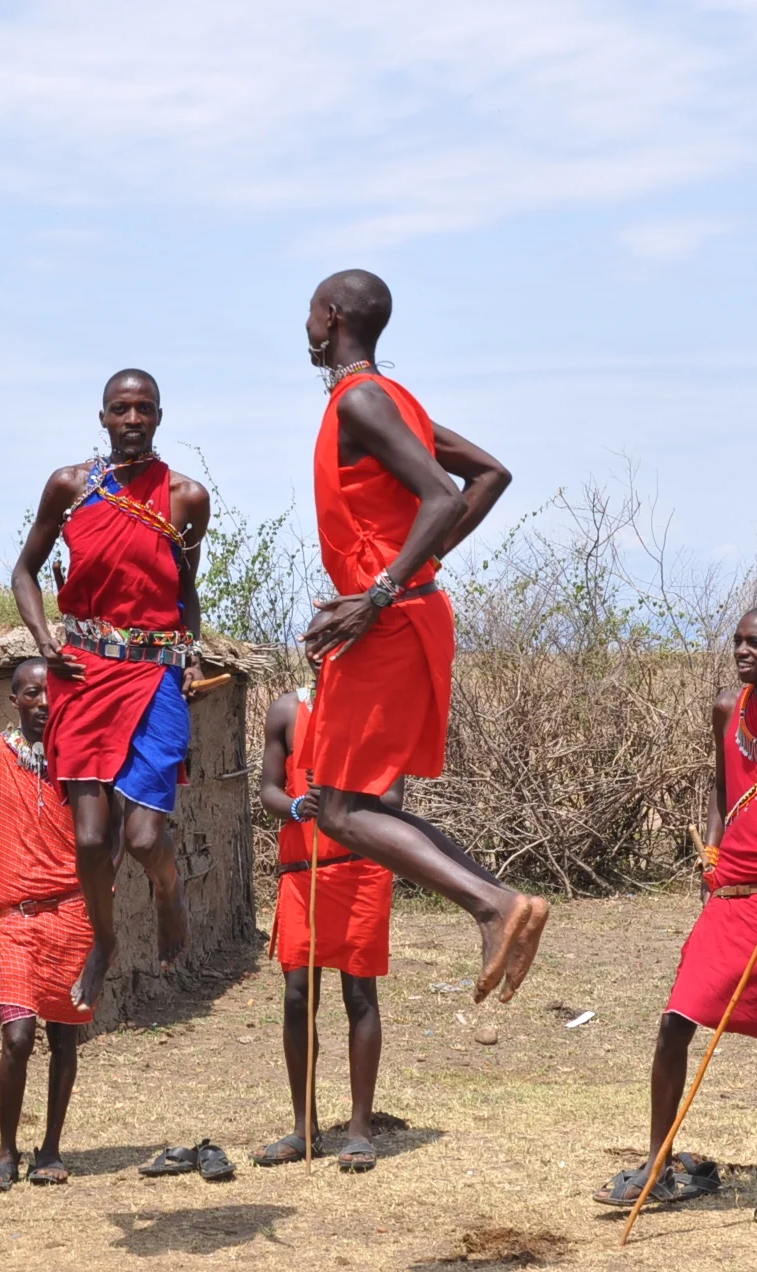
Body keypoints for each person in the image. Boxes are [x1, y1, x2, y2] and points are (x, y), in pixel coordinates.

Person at [300, 269, 543, 1004]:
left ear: (333, 316)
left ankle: (494, 905)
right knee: (364, 806)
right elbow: (489, 476)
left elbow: (444, 493)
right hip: (406, 612)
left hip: (388, 623)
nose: (305, 326)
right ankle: (501, 903)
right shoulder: (390, 401)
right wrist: (412, 574)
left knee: (340, 809)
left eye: (310, 313)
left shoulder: (366, 400)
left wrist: (381, 590)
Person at [597, 607, 757, 1220]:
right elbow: (722, 789)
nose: (743, 651)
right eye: (738, 641)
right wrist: (713, 856)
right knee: (676, 1020)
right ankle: (660, 1160)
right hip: (728, 894)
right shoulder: (727, 707)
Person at [10, 370, 209, 1015]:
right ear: (101, 418)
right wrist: (45, 646)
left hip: (154, 675)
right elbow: (25, 572)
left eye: (143, 409)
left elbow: (185, 591)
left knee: (146, 839)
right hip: (84, 673)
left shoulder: (185, 498)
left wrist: (192, 655)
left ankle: (170, 892)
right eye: (120, 409)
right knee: (93, 841)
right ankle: (105, 940)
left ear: (159, 416)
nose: (132, 419)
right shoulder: (71, 487)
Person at [0, 659, 95, 1189]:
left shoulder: (82, 758)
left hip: (73, 911)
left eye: (51, 693)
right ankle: (5, 1151)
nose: (43, 702)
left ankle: (52, 1148)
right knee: (17, 1037)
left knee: (64, 1038)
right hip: (15, 916)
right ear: (13, 700)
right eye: (31, 694)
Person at [252, 685, 401, 1174]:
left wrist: (341, 794)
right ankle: (304, 1126)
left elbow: (393, 797)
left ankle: (359, 1129)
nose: (325, 660)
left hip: (360, 870)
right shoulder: (285, 710)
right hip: (301, 871)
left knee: (358, 994)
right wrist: (299, 806)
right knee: (298, 994)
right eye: (317, 650)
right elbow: (269, 790)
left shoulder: (375, 710)